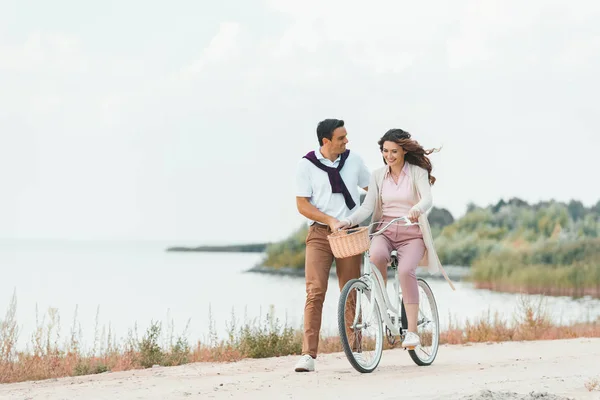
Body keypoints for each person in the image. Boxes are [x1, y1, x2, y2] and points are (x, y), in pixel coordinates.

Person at [334, 128, 455, 349]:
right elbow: (367, 207)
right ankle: (380, 305)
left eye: (394, 151)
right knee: (376, 256)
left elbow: (427, 199)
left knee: (405, 270)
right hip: (385, 230)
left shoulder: (417, 172)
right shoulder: (378, 175)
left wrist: (417, 209)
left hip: (412, 234)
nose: (389, 156)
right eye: (385, 151)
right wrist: (349, 221)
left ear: (404, 151)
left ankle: (412, 332)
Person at [294, 118, 371, 372]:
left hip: (349, 235)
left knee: (351, 291)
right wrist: (329, 220)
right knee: (314, 292)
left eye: (346, 136)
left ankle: (355, 350)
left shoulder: (354, 161)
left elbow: (373, 190)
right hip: (319, 235)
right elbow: (302, 204)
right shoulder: (307, 165)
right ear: (326, 141)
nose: (346, 141)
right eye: (341, 138)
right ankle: (308, 355)